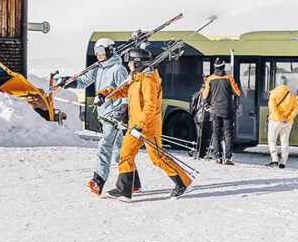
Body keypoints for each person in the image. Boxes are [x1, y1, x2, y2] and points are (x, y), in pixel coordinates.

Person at [98, 47, 193, 201]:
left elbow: (151, 107)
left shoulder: (149, 81)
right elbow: (122, 90)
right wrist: (103, 95)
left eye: (130, 61)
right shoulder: (136, 78)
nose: (128, 64)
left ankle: (184, 183)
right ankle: (124, 190)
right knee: (126, 153)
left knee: (158, 158)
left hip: (147, 127)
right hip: (135, 125)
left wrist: (139, 126)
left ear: (137, 63)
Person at [58, 37, 131, 195]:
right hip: (104, 114)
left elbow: (126, 93)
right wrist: (68, 82)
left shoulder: (118, 69)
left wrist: (123, 115)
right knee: (119, 151)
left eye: (101, 51)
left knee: (104, 146)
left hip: (114, 116)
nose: (98, 54)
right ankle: (133, 183)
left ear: (110, 51)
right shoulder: (100, 68)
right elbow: (84, 81)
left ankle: (97, 182)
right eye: (96, 51)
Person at [202, 59, 241, 165]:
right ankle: (228, 158)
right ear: (223, 67)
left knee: (216, 133)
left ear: (215, 68)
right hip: (227, 110)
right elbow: (237, 93)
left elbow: (205, 96)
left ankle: (218, 157)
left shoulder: (210, 79)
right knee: (228, 133)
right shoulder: (229, 78)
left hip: (215, 110)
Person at [266, 75, 298, 168]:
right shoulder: (291, 95)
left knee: (272, 140)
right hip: (287, 122)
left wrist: (281, 118)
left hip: (275, 121)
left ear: (278, 83)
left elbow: (273, 108)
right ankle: (283, 162)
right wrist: (288, 118)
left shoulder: (274, 94)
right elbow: (296, 109)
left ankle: (274, 160)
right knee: (284, 141)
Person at [190, 82, 212, 159]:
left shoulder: (200, 91)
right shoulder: (206, 92)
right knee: (205, 135)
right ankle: (202, 153)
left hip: (199, 116)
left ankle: (191, 148)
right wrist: (213, 109)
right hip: (203, 116)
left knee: (203, 135)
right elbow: (205, 106)